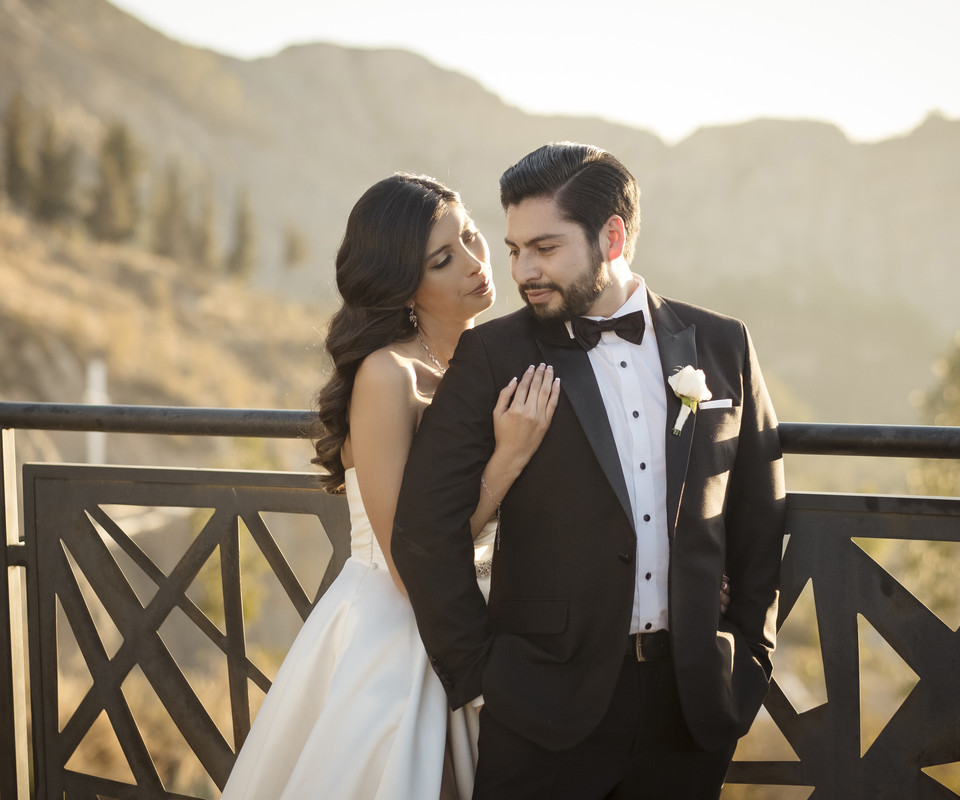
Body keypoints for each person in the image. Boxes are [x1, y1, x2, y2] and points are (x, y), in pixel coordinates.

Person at [392, 143, 787, 799]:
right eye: (515, 249)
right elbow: (423, 530)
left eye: (544, 248)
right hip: (540, 710)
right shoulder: (492, 356)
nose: (523, 270)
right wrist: (481, 675)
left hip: (691, 706)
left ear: (612, 236)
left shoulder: (722, 345)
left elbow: (758, 517)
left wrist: (748, 655)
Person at [220, 173, 561, 800]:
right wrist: (506, 459)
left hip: (495, 618)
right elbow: (412, 563)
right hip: (403, 630)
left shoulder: (491, 359)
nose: (475, 263)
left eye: (471, 237)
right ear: (403, 284)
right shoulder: (389, 374)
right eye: (443, 259)